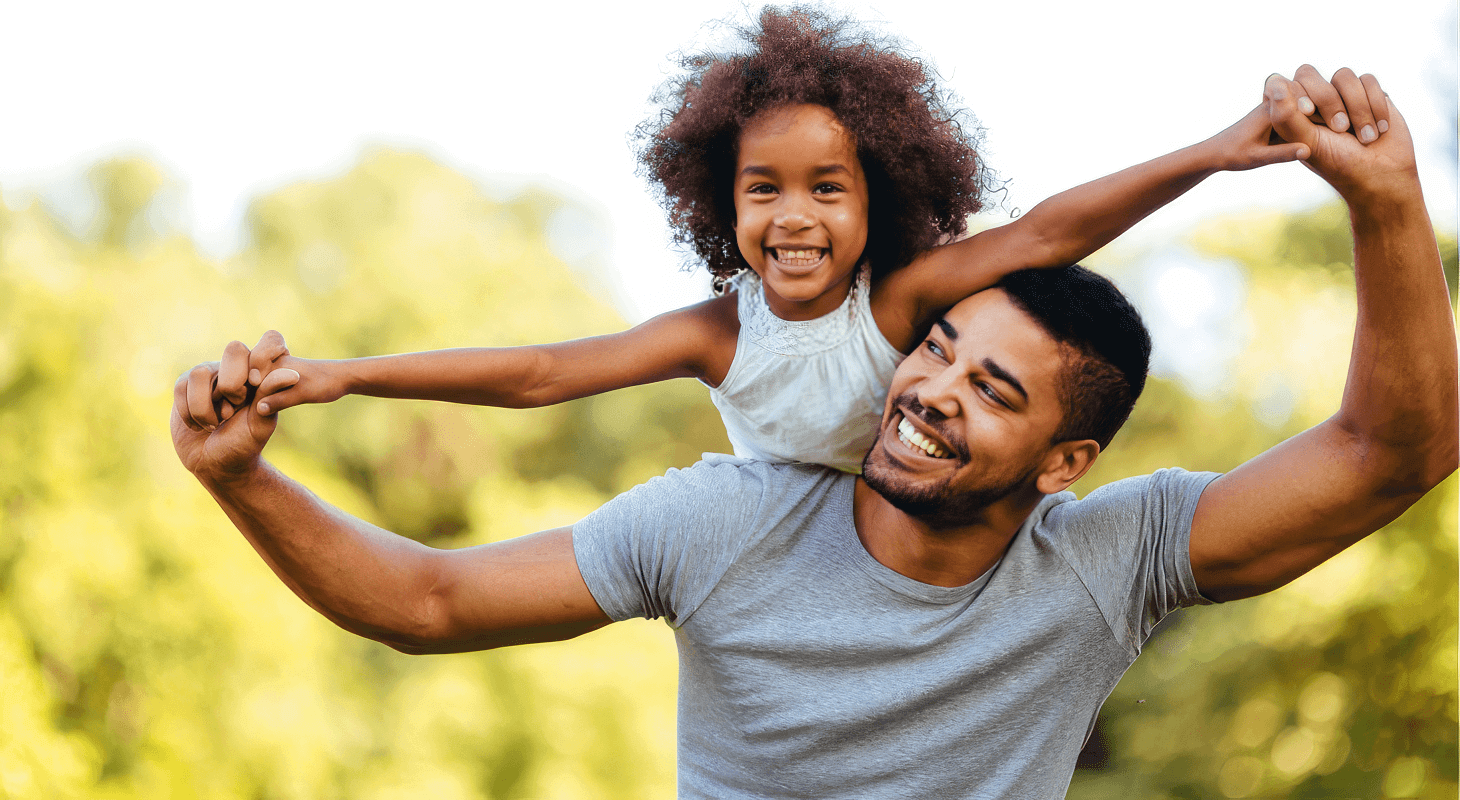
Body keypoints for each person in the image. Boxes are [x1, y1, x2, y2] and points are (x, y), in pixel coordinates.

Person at [172, 68, 1456, 798]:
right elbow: (432, 599)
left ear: (1067, 462)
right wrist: (246, 478)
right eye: (937, 349)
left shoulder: (1103, 560)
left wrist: (1386, 205)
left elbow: (1387, 454)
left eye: (996, 392)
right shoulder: (726, 515)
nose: (933, 386)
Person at [208, 8, 1310, 474]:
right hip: (779, 552)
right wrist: (345, 376)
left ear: (874, 198)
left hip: (920, 526)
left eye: (827, 188)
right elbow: (543, 373)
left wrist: (1210, 153)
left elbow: (1047, 230)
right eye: (762, 189)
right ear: (719, 203)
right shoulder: (712, 333)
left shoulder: (893, 305)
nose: (793, 217)